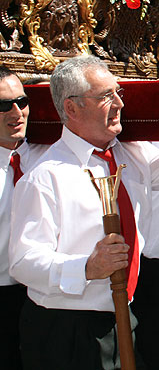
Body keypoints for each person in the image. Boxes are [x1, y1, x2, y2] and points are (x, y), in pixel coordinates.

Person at [9, 56, 159, 369]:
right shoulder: (46, 176)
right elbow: (22, 262)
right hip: (65, 329)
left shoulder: (133, 155)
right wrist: (85, 267)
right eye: (104, 97)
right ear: (71, 109)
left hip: (122, 318)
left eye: (118, 93)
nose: (119, 104)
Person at [0, 67, 46, 370]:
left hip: (42, 295)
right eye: (3, 105)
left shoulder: (45, 155)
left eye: (23, 101)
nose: (17, 112)